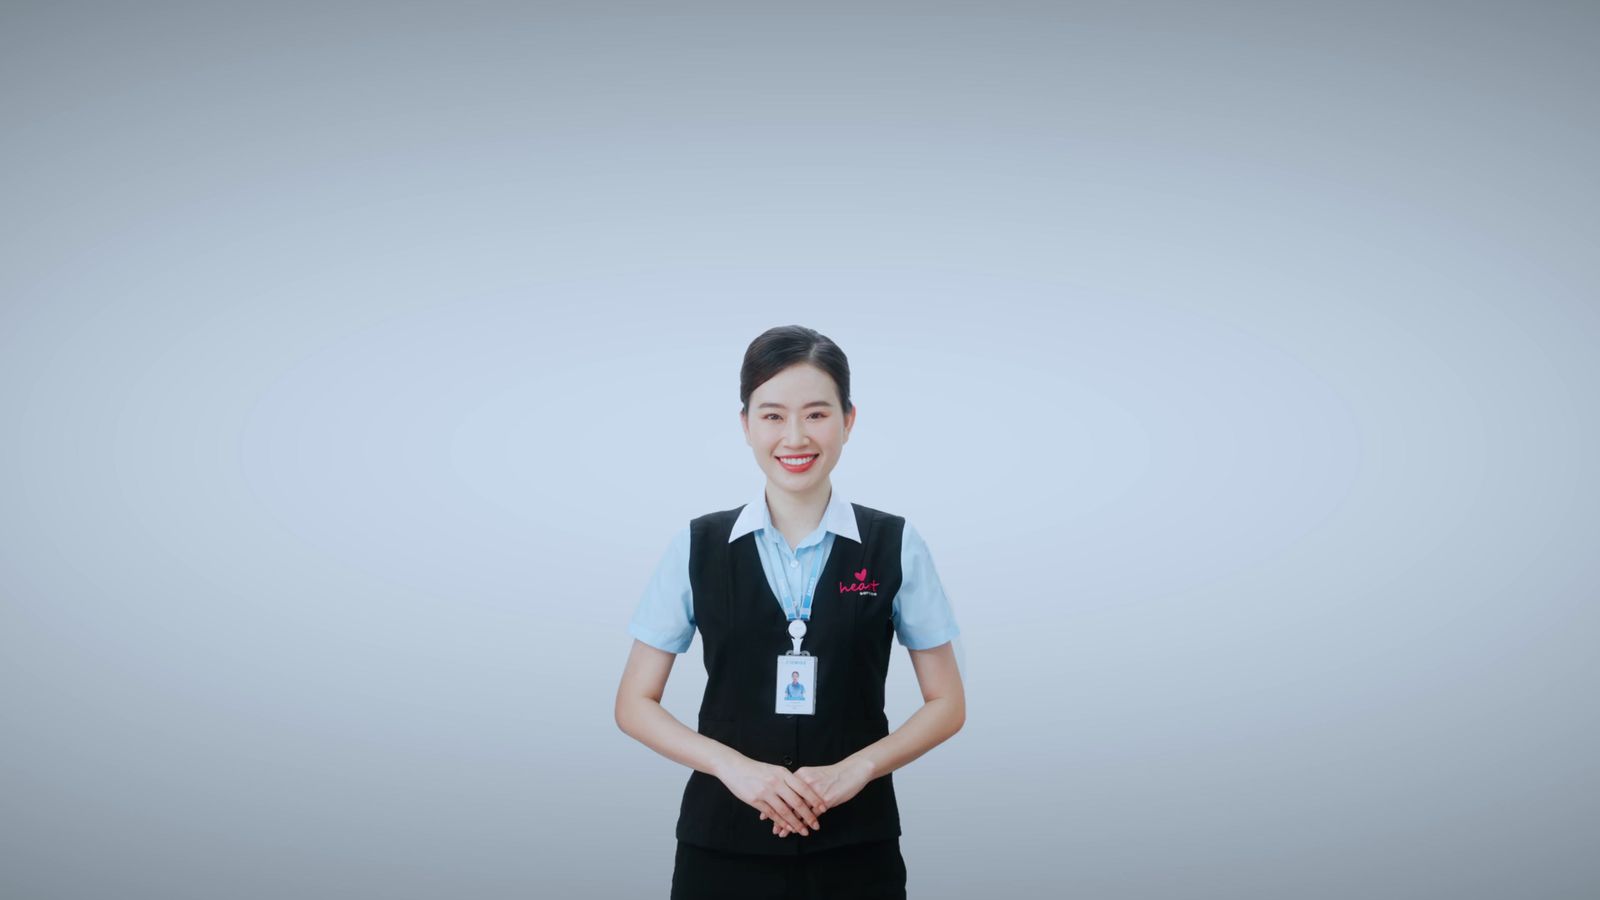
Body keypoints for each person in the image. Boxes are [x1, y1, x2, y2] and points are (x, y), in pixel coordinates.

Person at [614, 325, 966, 900]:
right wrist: (735, 769)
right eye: (773, 415)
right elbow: (633, 703)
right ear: (746, 424)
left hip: (856, 849)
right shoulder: (697, 544)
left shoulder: (895, 543)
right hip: (721, 846)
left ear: (849, 421)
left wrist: (855, 770)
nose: (795, 436)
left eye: (817, 414)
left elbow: (948, 703)